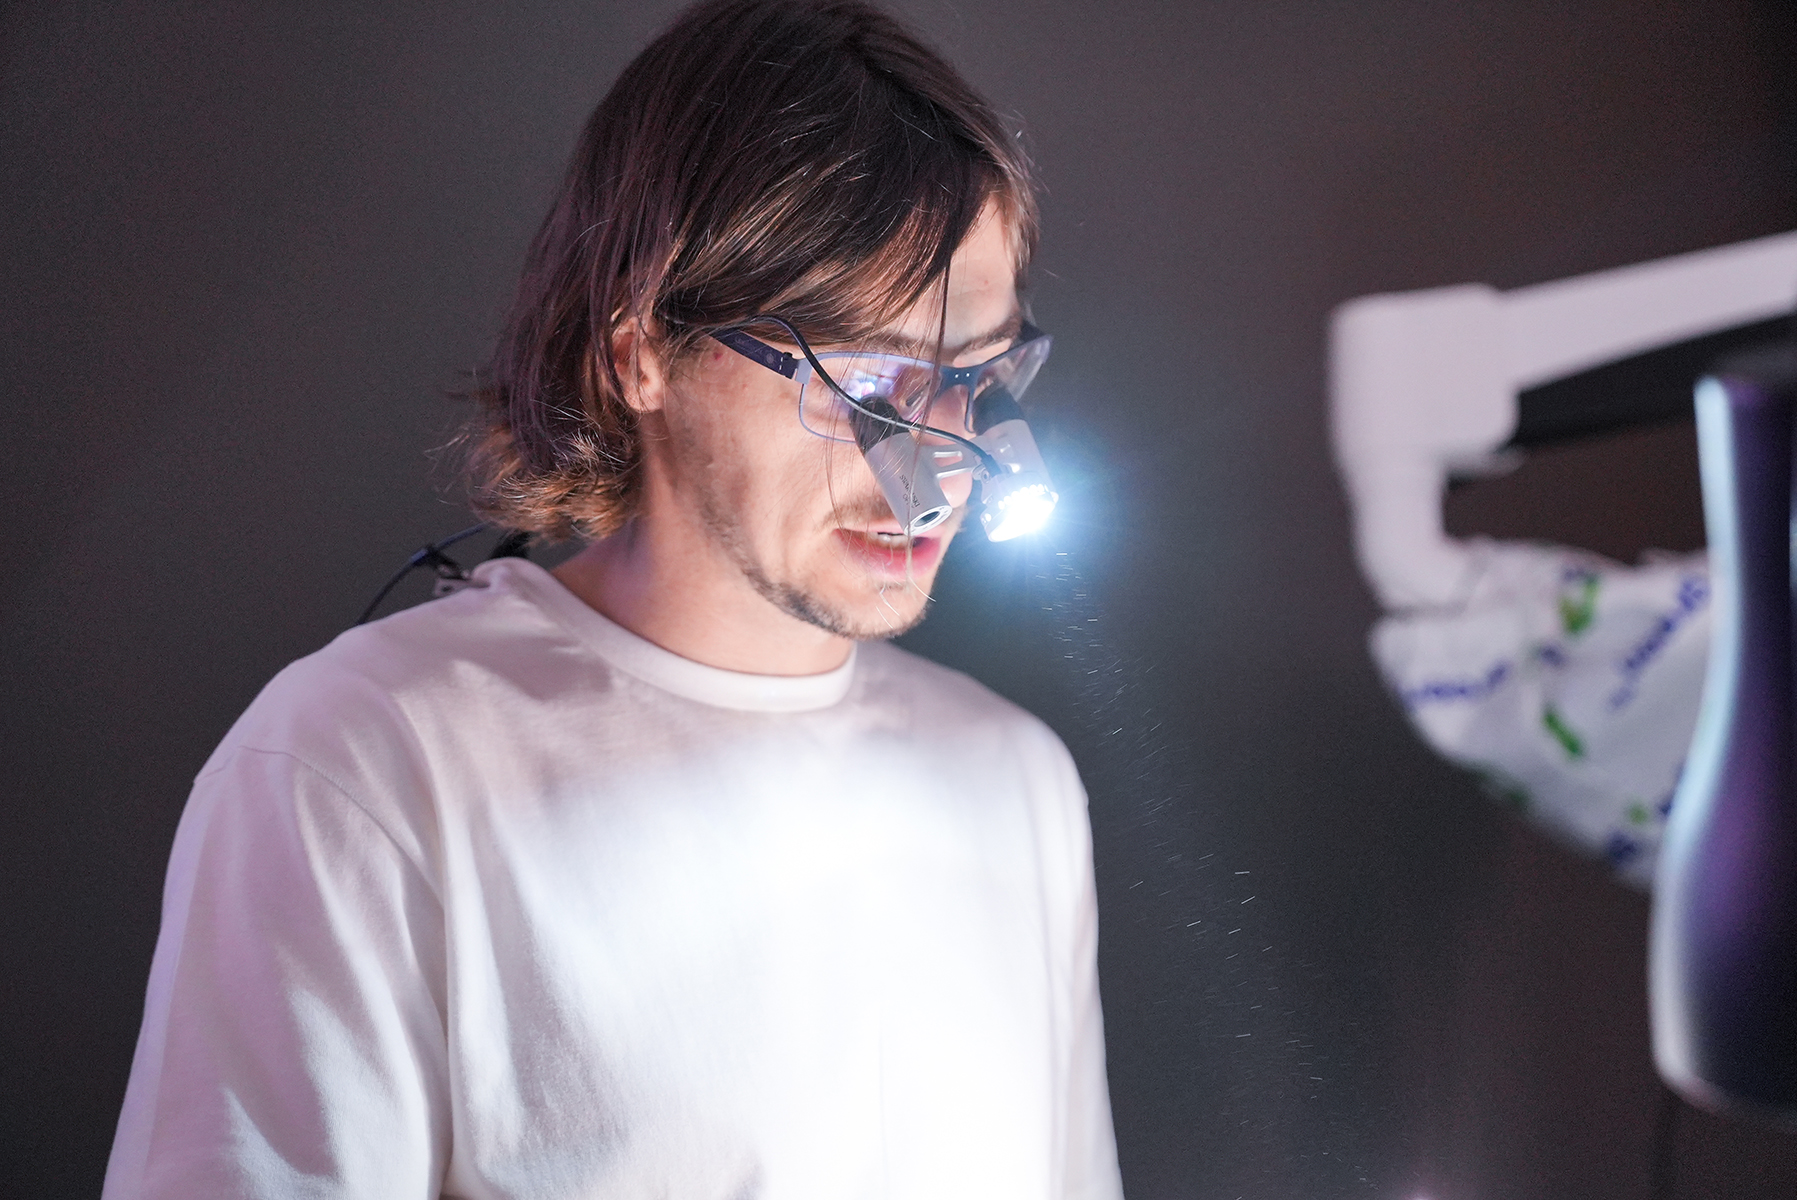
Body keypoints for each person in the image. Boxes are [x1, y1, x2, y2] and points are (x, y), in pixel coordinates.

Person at [103, 1, 1123, 1196]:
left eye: (981, 374)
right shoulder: (362, 767)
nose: (945, 463)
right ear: (640, 351)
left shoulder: (1014, 780)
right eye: (867, 380)